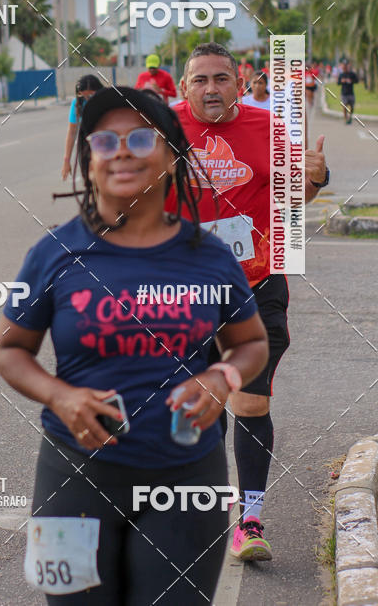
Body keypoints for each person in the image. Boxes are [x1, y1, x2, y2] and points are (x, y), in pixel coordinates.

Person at [0, 86, 269, 605]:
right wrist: (59, 395)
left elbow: (252, 342)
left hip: (186, 479)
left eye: (142, 138)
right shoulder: (54, 254)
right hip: (72, 479)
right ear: (89, 161)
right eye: (105, 140)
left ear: (171, 156)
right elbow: (10, 351)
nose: (122, 150)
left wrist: (222, 377)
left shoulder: (207, 257)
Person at [166, 42, 328, 561]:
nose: (211, 89)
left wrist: (315, 180)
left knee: (251, 403)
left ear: (239, 83)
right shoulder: (158, 132)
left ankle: (249, 520)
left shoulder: (269, 130)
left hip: (255, 288)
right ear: (183, 86)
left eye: (221, 79)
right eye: (200, 80)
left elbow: (294, 199)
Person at [62, 75, 104, 179]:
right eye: (84, 96)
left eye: (90, 96)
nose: (87, 99)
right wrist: (66, 161)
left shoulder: (105, 100)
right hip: (85, 144)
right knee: (88, 178)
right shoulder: (77, 103)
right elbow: (72, 133)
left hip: (104, 142)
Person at [337, 59, 359, 124]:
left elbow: (357, 81)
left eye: (346, 65)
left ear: (348, 66)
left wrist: (351, 81)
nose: (345, 67)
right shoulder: (341, 75)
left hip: (351, 93)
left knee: (352, 106)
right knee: (344, 106)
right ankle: (345, 118)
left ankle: (350, 117)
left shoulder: (352, 74)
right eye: (344, 65)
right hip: (344, 93)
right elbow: (338, 83)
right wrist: (342, 81)